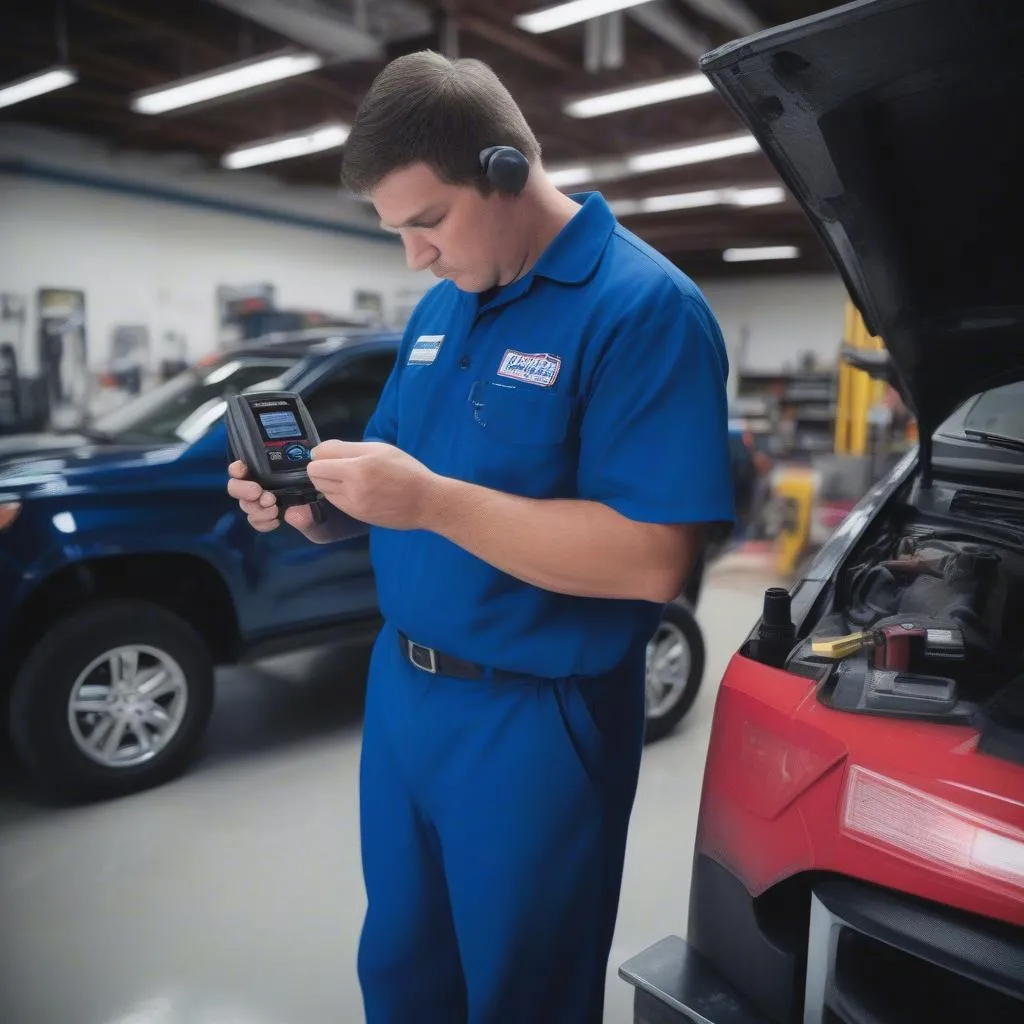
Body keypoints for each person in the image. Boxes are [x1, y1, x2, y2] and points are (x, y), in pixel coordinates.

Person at [227, 50, 734, 1024]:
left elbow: (653, 556)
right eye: (397, 232)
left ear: (505, 173)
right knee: (404, 970)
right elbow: (399, 479)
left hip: (535, 717)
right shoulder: (438, 309)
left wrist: (428, 503)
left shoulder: (643, 309)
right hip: (403, 692)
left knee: (520, 991)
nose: (415, 255)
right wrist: (319, 506)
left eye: (427, 222)